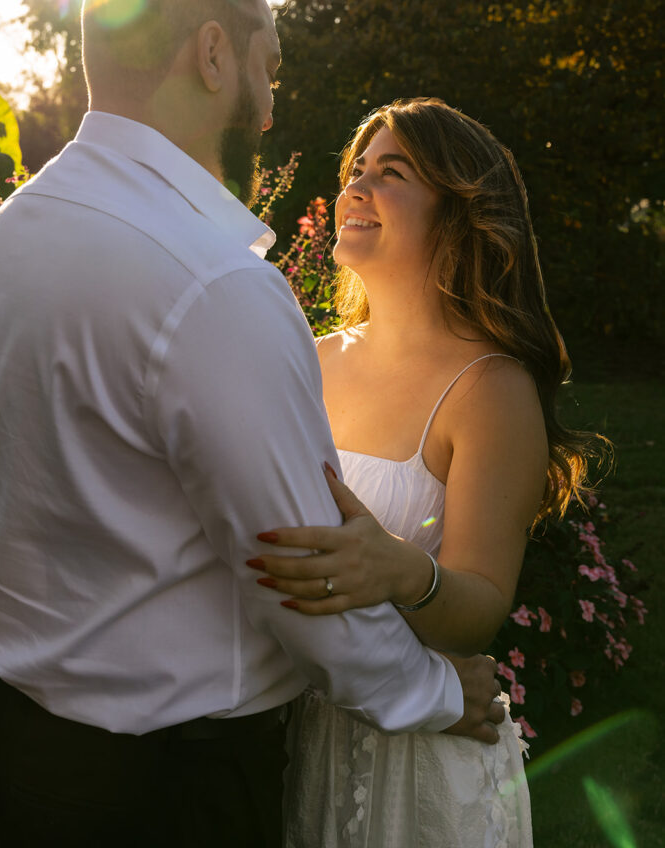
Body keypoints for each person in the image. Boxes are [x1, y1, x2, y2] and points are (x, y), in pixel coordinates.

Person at [0, 0, 503, 848]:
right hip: (161, 791)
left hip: (13, 747)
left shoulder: (9, 238)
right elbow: (297, 568)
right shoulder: (214, 282)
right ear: (213, 53)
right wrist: (429, 691)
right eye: (268, 67)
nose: (267, 109)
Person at [248, 97, 603, 846]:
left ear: (457, 211)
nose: (356, 187)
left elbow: (480, 606)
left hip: (418, 766)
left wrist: (399, 571)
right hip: (301, 729)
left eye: (391, 172)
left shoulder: (489, 388)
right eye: (356, 170)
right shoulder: (311, 358)